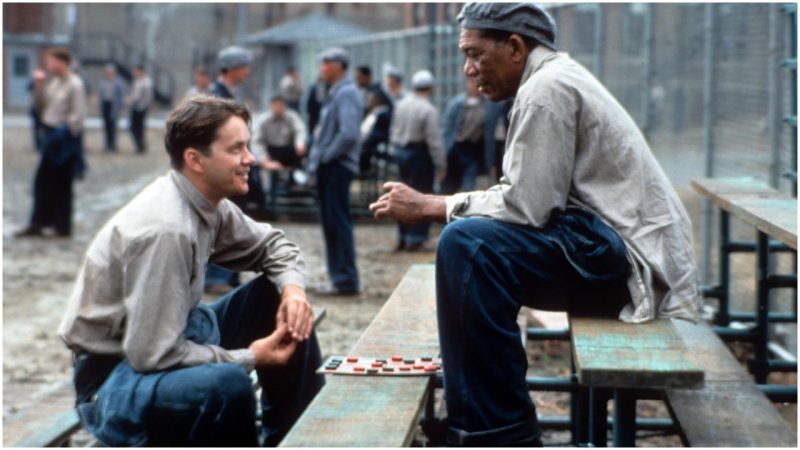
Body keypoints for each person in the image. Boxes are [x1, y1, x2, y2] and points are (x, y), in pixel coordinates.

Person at [370, 3, 700, 446]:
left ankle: (499, 432)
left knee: (470, 247)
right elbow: (532, 201)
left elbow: (528, 207)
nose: (469, 70)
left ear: (515, 46)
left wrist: (431, 204)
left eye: (474, 54)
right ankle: (482, 421)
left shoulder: (546, 89)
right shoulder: (550, 78)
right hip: (610, 248)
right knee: (472, 249)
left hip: (630, 266)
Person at [59, 96, 324, 446]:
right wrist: (250, 357)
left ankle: (292, 440)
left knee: (279, 301)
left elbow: (274, 246)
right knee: (229, 385)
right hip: (114, 380)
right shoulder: (167, 230)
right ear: (195, 159)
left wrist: (293, 291)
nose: (251, 159)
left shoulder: (205, 200)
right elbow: (154, 354)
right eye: (237, 149)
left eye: (248, 145)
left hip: (169, 339)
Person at [206, 45, 262, 294]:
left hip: (233, 165)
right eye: (244, 67)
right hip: (224, 167)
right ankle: (218, 276)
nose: (247, 72)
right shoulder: (216, 97)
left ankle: (228, 275)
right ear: (233, 69)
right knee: (223, 222)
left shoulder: (226, 95)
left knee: (233, 220)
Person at [307, 47, 362, 296]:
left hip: (337, 167)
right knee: (331, 224)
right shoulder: (335, 92)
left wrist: (326, 156)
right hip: (330, 167)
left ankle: (345, 280)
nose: (322, 68)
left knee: (338, 224)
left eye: (327, 63)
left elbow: (348, 134)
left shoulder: (347, 93)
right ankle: (338, 278)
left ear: (340, 66)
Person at [16, 47, 86, 239]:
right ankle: (39, 222)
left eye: (51, 61)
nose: (48, 65)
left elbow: (78, 117)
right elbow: (41, 108)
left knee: (62, 184)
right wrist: (38, 86)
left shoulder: (75, 84)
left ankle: (62, 227)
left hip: (64, 140)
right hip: (49, 136)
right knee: (43, 181)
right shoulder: (53, 83)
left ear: (62, 62)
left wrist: (64, 135)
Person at [389, 69, 445, 252]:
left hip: (401, 152)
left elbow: (394, 131)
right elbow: (434, 140)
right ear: (430, 87)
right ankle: (417, 237)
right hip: (420, 155)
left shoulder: (401, 105)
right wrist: (441, 164)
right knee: (421, 196)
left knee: (401, 195)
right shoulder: (428, 109)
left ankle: (402, 235)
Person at [440, 77, 503, 194]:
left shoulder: (489, 106)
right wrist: (444, 154)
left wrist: (492, 162)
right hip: (456, 148)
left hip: (473, 150)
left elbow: (491, 133)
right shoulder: (457, 104)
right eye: (472, 83)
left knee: (469, 186)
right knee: (449, 185)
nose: (474, 86)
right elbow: (447, 129)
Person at [251, 95, 308, 208]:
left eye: (280, 106)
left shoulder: (291, 117)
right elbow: (256, 142)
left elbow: (300, 130)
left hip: (288, 150)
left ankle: (296, 181)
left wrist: (299, 142)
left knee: (302, 154)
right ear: (271, 106)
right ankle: (262, 199)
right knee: (256, 167)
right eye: (275, 106)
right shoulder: (263, 120)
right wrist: (263, 159)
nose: (278, 108)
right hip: (271, 151)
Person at [359, 88, 393, 177]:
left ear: (377, 100)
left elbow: (378, 134)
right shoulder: (373, 113)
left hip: (374, 147)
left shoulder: (383, 114)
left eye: (370, 99)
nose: (368, 102)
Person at [98, 64, 125, 152]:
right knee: (106, 126)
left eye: (110, 72)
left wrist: (119, 107)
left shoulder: (118, 83)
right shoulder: (103, 83)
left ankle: (113, 145)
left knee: (113, 126)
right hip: (106, 105)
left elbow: (121, 96)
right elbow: (101, 96)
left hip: (114, 106)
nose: (109, 74)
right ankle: (107, 144)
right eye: (107, 72)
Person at [128, 65, 152, 153]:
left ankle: (140, 145)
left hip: (141, 108)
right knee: (135, 127)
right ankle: (139, 145)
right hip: (136, 107)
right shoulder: (137, 81)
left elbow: (142, 96)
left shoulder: (146, 82)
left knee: (138, 128)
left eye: (136, 71)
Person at [304, 76, 328, 150]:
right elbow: (309, 101)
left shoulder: (328, 88)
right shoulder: (313, 88)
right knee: (312, 131)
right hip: (314, 113)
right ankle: (310, 146)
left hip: (323, 113)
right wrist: (308, 113)